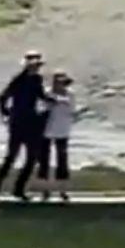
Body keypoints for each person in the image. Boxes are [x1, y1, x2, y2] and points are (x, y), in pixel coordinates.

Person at [0, 51, 47, 202]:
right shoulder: (18, 80)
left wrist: (53, 101)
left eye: (38, 65)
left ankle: (18, 189)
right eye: (35, 66)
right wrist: (7, 113)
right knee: (11, 157)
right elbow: (3, 97)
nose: (37, 68)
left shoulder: (37, 79)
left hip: (30, 122)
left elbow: (41, 96)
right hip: (18, 123)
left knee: (31, 158)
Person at [37, 70, 75, 203]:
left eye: (64, 83)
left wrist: (57, 100)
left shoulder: (70, 95)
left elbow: (70, 109)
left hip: (62, 131)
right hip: (46, 131)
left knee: (62, 161)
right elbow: (41, 108)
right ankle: (44, 190)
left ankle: (62, 190)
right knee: (44, 161)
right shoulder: (47, 93)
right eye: (60, 83)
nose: (63, 86)